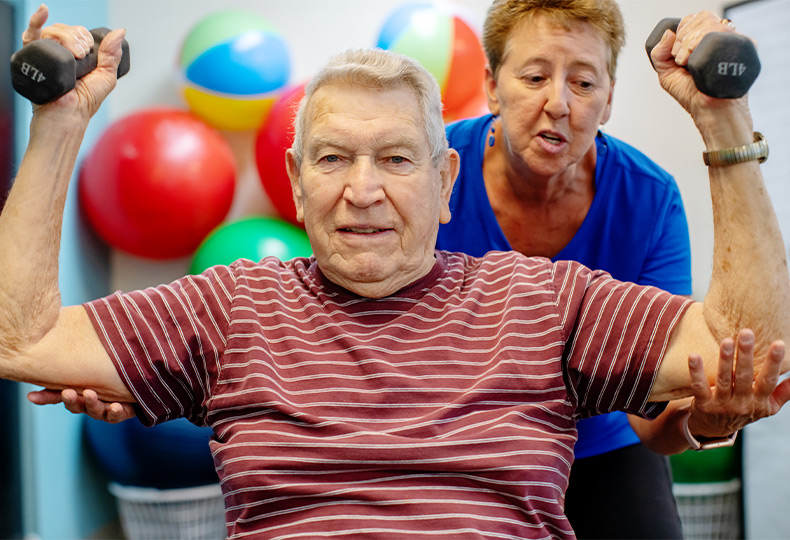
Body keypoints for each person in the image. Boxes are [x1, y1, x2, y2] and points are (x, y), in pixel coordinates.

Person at [5, 7, 790, 539]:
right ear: (296, 180)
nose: (363, 188)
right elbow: (22, 336)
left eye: (395, 159)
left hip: (599, 441)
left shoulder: (547, 298)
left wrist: (724, 117)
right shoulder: (232, 304)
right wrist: (60, 122)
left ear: (444, 180)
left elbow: (744, 341)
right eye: (334, 158)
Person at [433, 1, 695, 537]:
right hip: (464, 441)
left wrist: (706, 417)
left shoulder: (650, 199)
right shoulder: (432, 172)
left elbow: (657, 418)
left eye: (582, 83)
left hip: (601, 444)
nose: (557, 103)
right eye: (533, 77)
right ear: (491, 84)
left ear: (608, 100)